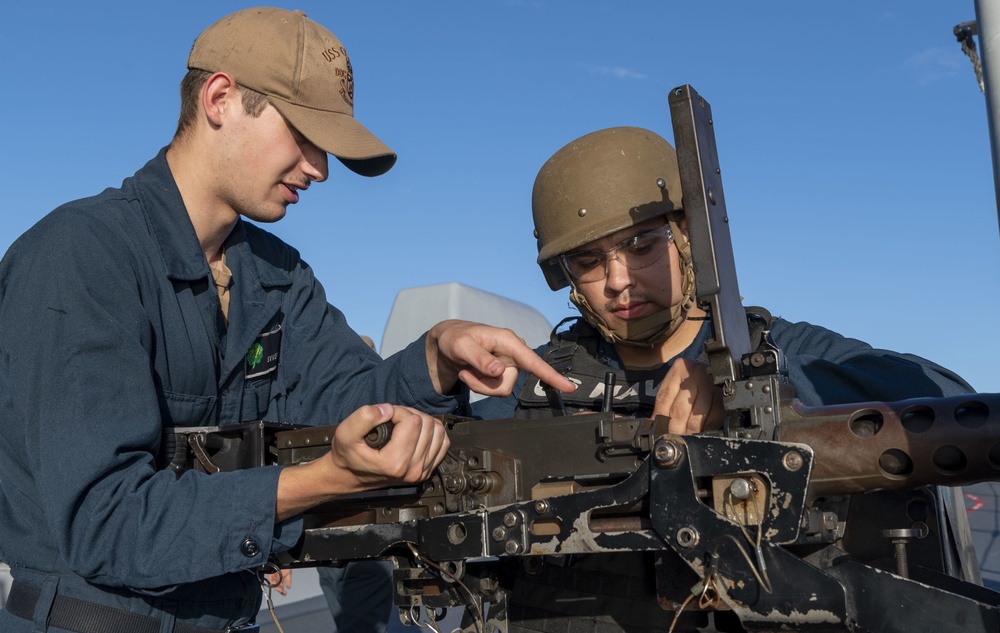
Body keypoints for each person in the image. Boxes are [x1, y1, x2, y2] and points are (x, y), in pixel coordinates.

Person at [0, 8, 572, 633]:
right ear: (220, 98)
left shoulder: (276, 275)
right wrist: (318, 481)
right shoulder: (83, 256)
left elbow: (348, 404)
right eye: (304, 136)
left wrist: (434, 358)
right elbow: (105, 524)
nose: (319, 169)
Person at [472, 126, 975, 632]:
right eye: (588, 261)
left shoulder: (774, 348)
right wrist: (427, 371)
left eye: (642, 245)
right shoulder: (539, 383)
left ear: (688, 234)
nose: (619, 280)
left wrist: (759, 389)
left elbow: (947, 396)